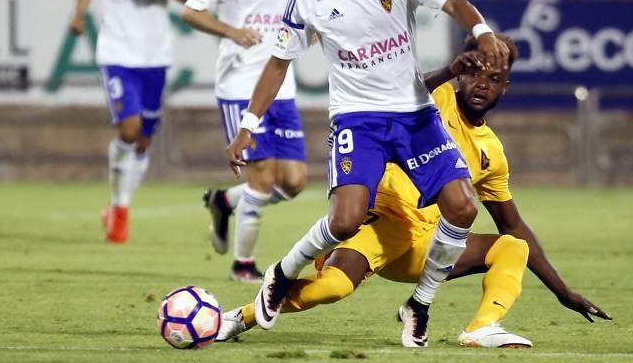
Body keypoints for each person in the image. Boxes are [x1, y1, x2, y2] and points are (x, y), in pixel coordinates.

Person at [226, 0, 508, 348]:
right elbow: (277, 64)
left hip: (415, 116)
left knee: (462, 207)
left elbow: (454, 3)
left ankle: (420, 303)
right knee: (346, 220)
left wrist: (483, 31)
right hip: (358, 122)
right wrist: (248, 124)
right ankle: (283, 271)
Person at [217, 36, 611, 346]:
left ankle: (483, 327)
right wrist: (445, 71)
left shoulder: (492, 152)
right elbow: (398, 98)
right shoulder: (433, 99)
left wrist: (563, 291)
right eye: (475, 72)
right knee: (332, 288)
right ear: (461, 72)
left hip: (429, 247)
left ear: (505, 87)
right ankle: (241, 317)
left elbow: (514, 224)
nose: (481, 84)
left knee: (513, 247)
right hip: (381, 225)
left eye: (494, 79)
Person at [180, 0, 308, 283]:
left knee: (293, 183)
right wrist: (232, 31)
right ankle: (243, 266)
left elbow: (300, 14)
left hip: (280, 84)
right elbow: (191, 11)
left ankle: (224, 201)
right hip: (239, 83)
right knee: (263, 177)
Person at [71, 0, 201, 244]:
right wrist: (78, 14)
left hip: (155, 55)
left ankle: (116, 207)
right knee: (127, 130)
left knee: (143, 140)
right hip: (116, 52)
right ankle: (121, 208)